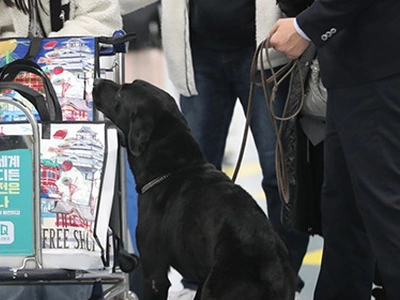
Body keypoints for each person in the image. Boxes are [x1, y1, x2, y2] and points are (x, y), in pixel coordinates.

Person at [121, 0, 311, 298]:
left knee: (282, 181)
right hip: (197, 55)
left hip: (265, 50)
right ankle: (196, 282)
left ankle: (285, 279)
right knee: (185, 185)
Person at [268, 0, 400, 299]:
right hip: (348, 74)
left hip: (376, 71)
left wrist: (306, 27)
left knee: (386, 210)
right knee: (343, 209)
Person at [0, 1, 122, 299]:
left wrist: (45, 51)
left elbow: (103, 15)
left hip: (68, 115)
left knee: (66, 247)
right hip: (8, 121)